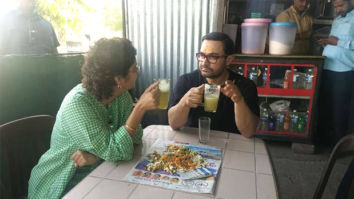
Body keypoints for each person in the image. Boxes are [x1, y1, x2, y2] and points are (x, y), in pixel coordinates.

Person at [28, 37, 160, 198]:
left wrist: (98, 155)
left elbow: (136, 138)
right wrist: (139, 108)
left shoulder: (121, 96)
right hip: (60, 183)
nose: (138, 72)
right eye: (134, 69)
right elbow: (116, 150)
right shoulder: (77, 105)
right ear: (118, 79)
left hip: (100, 172)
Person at [168, 32, 259, 138]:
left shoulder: (244, 85)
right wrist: (184, 102)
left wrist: (239, 101)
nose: (204, 63)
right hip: (193, 143)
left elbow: (249, 132)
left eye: (212, 57)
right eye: (202, 55)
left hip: (231, 146)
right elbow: (173, 124)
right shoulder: (186, 81)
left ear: (228, 60)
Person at [317, 0, 354, 147]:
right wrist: (327, 42)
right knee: (325, 107)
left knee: (340, 111)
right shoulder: (338, 18)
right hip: (327, 67)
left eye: (341, 6)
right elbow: (335, 41)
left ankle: (339, 147)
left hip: (344, 71)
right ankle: (325, 142)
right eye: (335, 7)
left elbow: (340, 42)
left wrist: (338, 43)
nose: (338, 10)